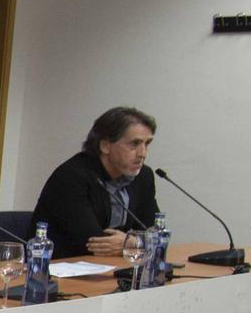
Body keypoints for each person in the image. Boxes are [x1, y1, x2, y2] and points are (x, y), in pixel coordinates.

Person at [32, 106, 160, 256]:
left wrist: (131, 243)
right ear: (105, 146)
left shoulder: (143, 176)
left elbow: (155, 233)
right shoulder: (71, 177)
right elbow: (93, 243)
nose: (142, 153)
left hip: (114, 266)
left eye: (147, 144)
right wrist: (134, 243)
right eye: (134, 144)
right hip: (62, 268)